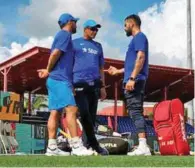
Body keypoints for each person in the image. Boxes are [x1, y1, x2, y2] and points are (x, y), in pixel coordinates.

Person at [37, 13, 94, 156]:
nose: (76, 25)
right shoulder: (65, 34)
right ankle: (76, 146)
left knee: (55, 113)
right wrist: (48, 70)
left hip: (56, 80)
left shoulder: (61, 35)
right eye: (75, 22)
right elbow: (55, 53)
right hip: (59, 79)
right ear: (70, 22)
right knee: (72, 109)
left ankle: (51, 148)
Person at [108, 14, 151, 156]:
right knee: (134, 112)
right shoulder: (135, 40)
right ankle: (143, 146)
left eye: (125, 25)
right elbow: (132, 63)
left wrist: (132, 78)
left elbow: (141, 57)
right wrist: (118, 71)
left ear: (131, 24)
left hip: (135, 80)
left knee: (135, 111)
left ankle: (143, 146)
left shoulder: (139, 37)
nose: (124, 28)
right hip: (134, 78)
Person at [72, 19, 108, 155]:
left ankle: (88, 146)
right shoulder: (74, 43)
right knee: (84, 114)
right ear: (85, 29)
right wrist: (70, 83)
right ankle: (78, 145)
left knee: (91, 117)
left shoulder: (98, 46)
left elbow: (101, 68)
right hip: (79, 83)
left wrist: (103, 87)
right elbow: (69, 63)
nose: (95, 32)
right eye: (92, 29)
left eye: (97, 30)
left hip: (95, 86)